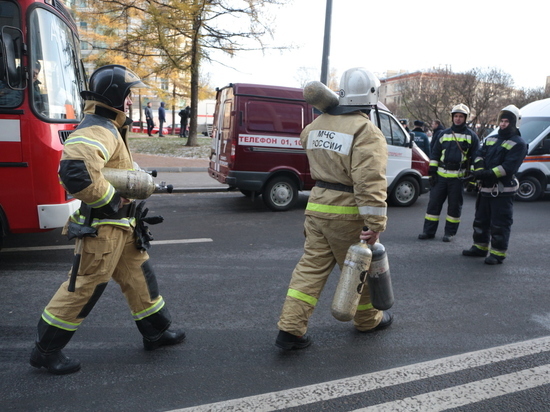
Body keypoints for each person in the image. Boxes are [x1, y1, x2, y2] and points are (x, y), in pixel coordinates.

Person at [29, 65, 185, 375]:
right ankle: (46, 350)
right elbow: (75, 171)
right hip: (103, 228)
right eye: (128, 95)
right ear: (115, 96)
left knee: (140, 277)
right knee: (84, 287)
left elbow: (112, 169)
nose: (130, 101)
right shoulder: (98, 128)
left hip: (122, 228)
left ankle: (155, 331)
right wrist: (113, 202)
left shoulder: (110, 127)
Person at [275, 68, 393, 351]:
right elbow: (369, 182)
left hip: (316, 207)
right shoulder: (367, 131)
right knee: (358, 268)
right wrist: (374, 224)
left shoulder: (317, 125)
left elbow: (305, 138)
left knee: (310, 269)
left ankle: (290, 329)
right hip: (347, 212)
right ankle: (368, 321)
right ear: (371, 98)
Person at [463, 105, 527, 265]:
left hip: (502, 191)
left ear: (514, 123)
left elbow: (508, 167)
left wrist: (486, 174)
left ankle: (498, 254)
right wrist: (479, 170)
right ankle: (480, 247)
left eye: (507, 121)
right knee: (480, 220)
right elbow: (479, 155)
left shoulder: (518, 143)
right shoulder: (491, 138)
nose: (503, 124)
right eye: (502, 121)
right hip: (485, 188)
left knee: (500, 224)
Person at [418, 104, 479, 242]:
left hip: (458, 178)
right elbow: (435, 154)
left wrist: (472, 179)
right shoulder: (443, 134)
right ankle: (428, 231)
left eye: (461, 116)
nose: (458, 119)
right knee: (433, 205)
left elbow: (476, 159)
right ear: (452, 117)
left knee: (454, 207)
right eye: (456, 116)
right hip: (440, 177)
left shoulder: (472, 136)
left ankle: (449, 233)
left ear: (466, 118)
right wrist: (432, 173)